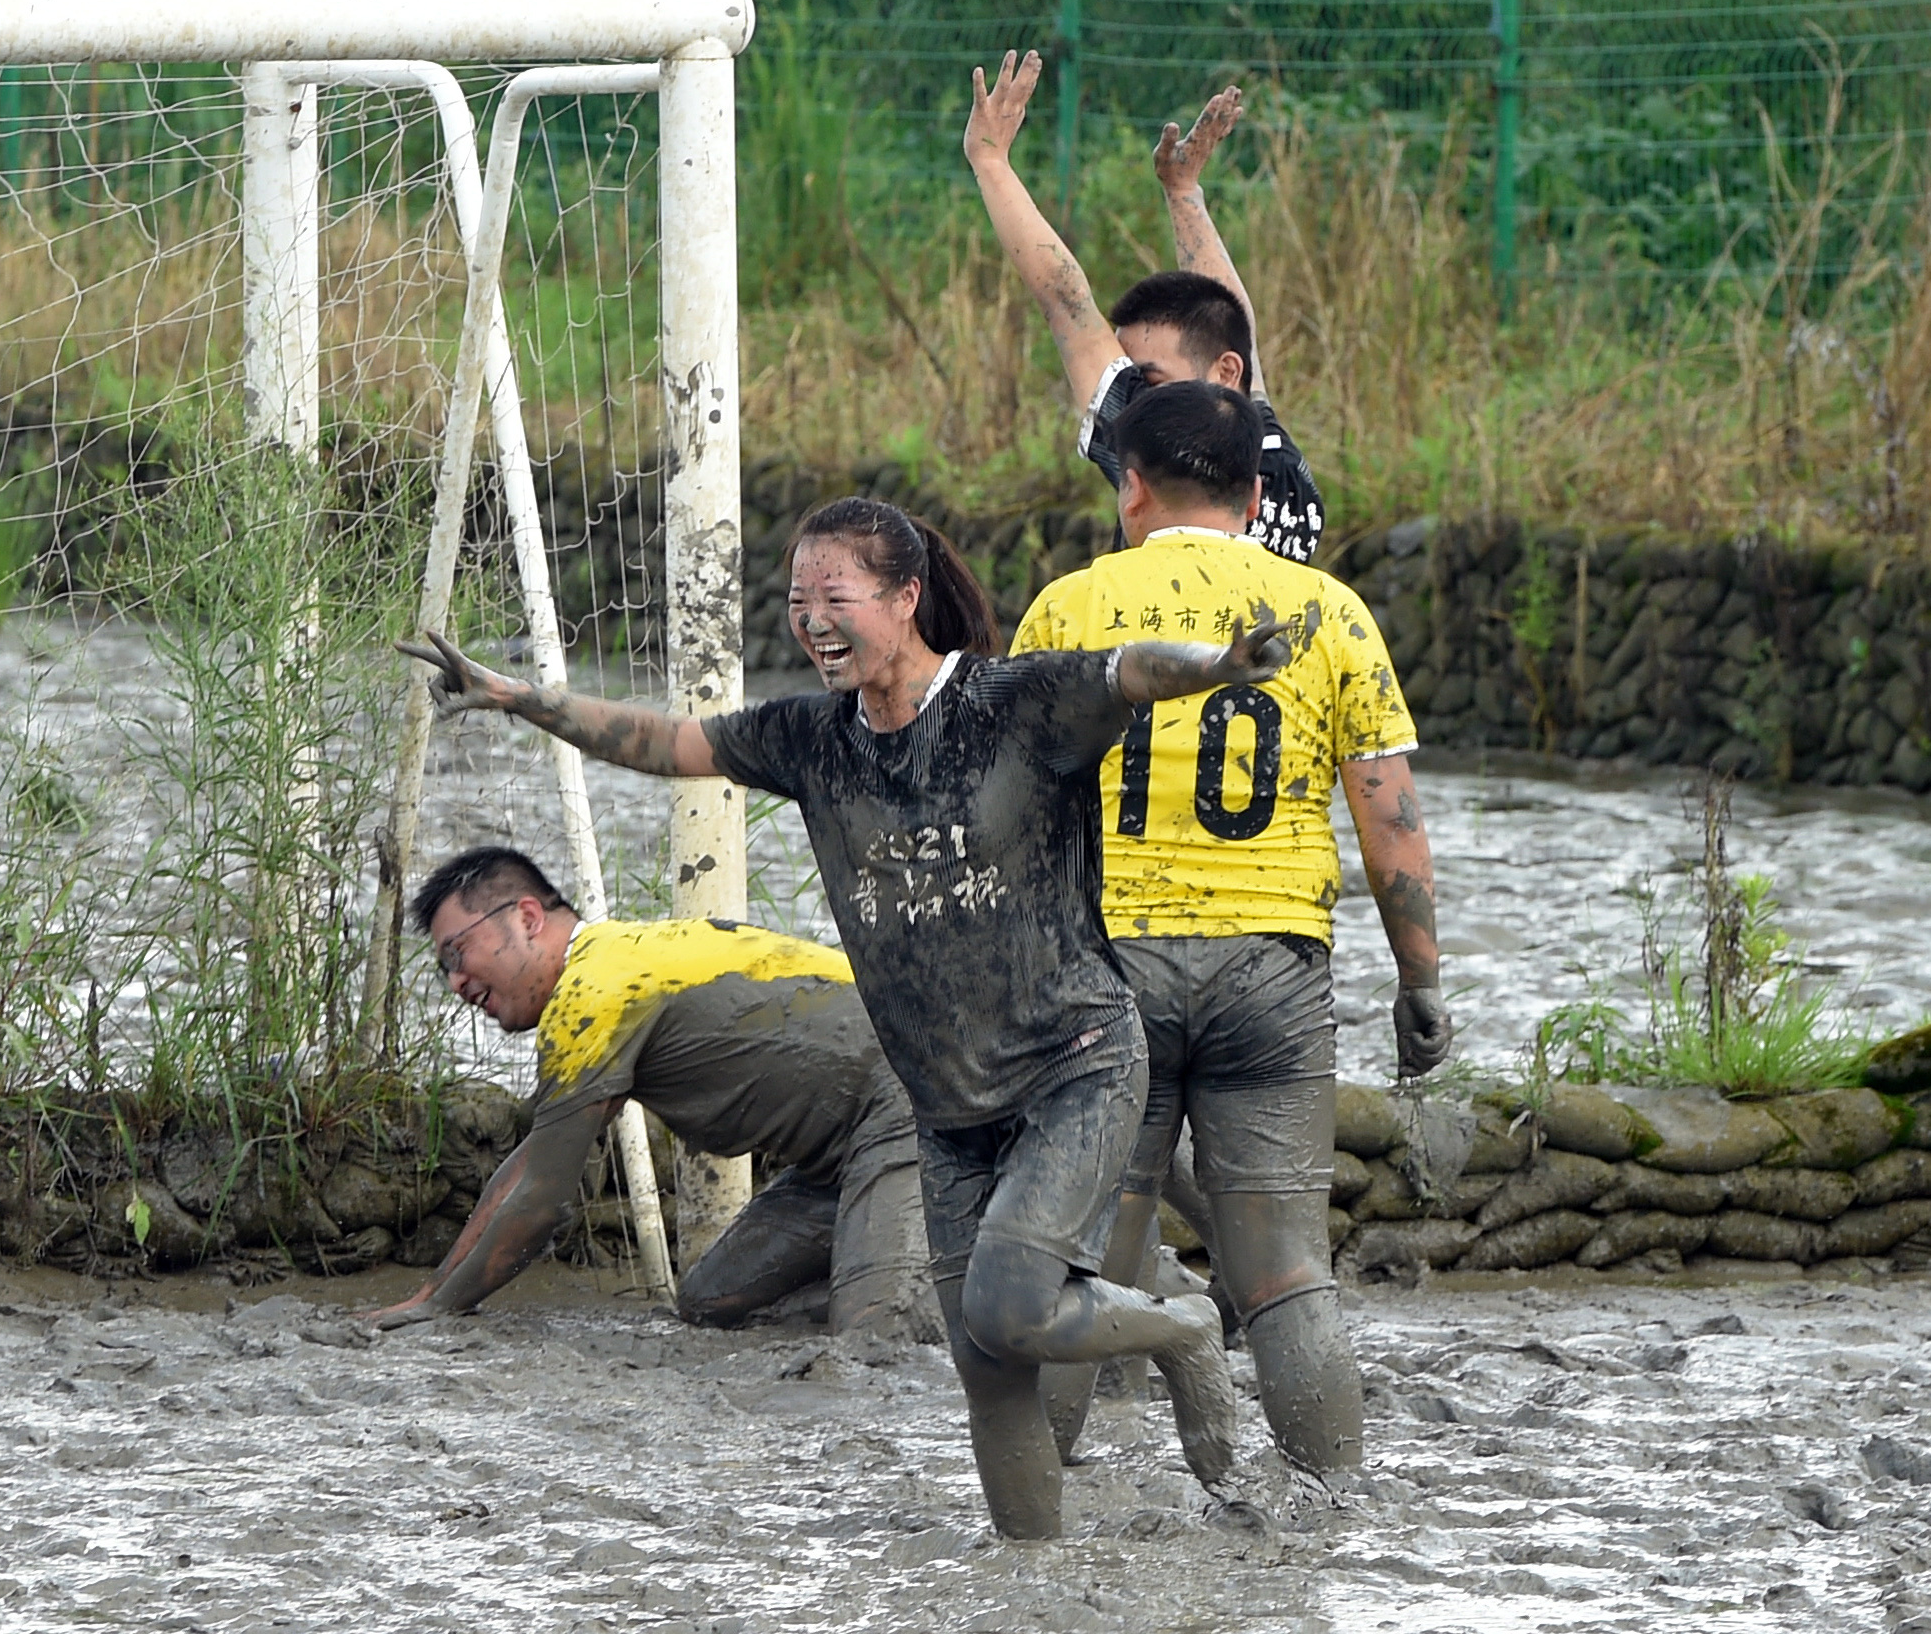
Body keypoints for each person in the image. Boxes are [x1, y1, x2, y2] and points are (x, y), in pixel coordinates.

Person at [395, 497, 1295, 1539]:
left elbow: (1128, 670)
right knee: (987, 1367)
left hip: (1075, 1064)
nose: (812, 621)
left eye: (835, 598)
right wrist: (523, 700)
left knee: (1006, 1304)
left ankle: (1182, 1327)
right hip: (945, 1102)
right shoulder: (808, 740)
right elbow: (663, 739)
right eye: (795, 601)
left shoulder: (1010, 704)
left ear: (906, 597)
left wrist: (1217, 665)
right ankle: (1026, 1580)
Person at [1012, 379, 1452, 1479]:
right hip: (1272, 971)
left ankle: (1034, 1524)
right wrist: (1420, 982)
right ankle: (1333, 1513)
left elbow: (1012, 805)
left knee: (1074, 1263)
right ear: (1255, 494)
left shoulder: (1066, 609)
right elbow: (1387, 816)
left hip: (1107, 972)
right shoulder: (1329, 611)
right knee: (1286, 1274)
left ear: (1129, 485)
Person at [360, 846, 935, 1340]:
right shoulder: (610, 968)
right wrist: (430, 1293)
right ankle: (927, 1267)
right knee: (713, 1303)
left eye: (457, 956)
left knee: (877, 1333)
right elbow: (532, 1165)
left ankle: (927, 1278)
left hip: (910, 1101)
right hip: (838, 1157)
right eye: (443, 971)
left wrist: (441, 1309)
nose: (457, 983)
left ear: (528, 917)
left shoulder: (592, 993)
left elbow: (540, 1203)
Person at [966, 57, 1323, 564]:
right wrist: (1183, 193)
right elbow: (1228, 329)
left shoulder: (1166, 463)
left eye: (1151, 381)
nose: (1135, 398)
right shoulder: (1259, 445)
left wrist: (991, 162)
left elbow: (1067, 306)